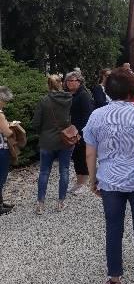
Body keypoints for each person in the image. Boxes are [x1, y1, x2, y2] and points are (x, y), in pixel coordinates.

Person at [83, 68, 134, 284]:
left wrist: (92, 180)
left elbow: (90, 152)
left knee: (113, 228)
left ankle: (115, 279)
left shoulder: (97, 116)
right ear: (132, 90)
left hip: (109, 181)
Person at [32, 75, 74, 214]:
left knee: (44, 172)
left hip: (47, 140)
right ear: (61, 84)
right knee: (64, 170)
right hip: (66, 140)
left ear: (48, 85)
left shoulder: (44, 101)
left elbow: (36, 123)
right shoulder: (69, 99)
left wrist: (43, 132)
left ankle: (40, 204)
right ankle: (61, 202)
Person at [65, 70, 94, 194]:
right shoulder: (70, 94)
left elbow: (87, 115)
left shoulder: (84, 95)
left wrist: (81, 133)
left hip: (81, 132)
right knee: (76, 157)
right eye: (68, 81)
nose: (70, 83)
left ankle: (83, 183)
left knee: (82, 157)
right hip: (72, 130)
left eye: (73, 80)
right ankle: (78, 181)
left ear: (79, 81)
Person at [0, 87, 15, 216]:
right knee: (1, 177)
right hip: (1, 149)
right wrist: (11, 126)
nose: (6, 104)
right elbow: (7, 132)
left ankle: (1, 202)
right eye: (5, 101)